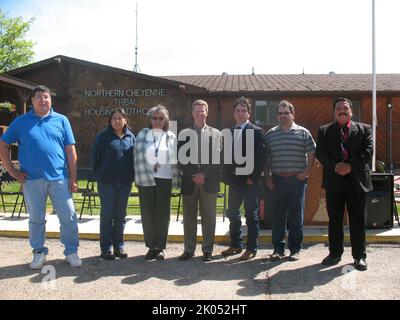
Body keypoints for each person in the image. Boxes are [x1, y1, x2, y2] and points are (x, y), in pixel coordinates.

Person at [0, 85, 81, 269]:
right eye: (39, 97)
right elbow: (3, 145)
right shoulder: (21, 122)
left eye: (46, 97)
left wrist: (73, 178)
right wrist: (13, 172)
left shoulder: (62, 120)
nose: (43, 100)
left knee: (68, 216)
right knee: (36, 218)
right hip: (31, 179)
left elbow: (71, 151)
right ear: (32, 101)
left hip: (59, 178)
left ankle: (71, 252)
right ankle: (38, 252)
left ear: (50, 100)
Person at [316, 97, 372, 271]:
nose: (342, 110)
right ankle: (335, 254)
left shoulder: (364, 129)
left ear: (351, 111)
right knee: (335, 221)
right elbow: (320, 153)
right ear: (334, 112)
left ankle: (359, 256)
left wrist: (349, 166)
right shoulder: (324, 131)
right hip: (334, 182)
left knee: (357, 220)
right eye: (338, 108)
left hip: (357, 182)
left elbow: (368, 151)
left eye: (345, 108)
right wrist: (335, 166)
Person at [264, 100, 316, 261]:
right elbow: (266, 158)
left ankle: (295, 249)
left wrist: (306, 172)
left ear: (293, 114)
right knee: (278, 217)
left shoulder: (303, 133)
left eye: (286, 113)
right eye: (280, 113)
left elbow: (312, 154)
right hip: (277, 180)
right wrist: (267, 177)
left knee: (296, 217)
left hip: (297, 181)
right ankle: (278, 249)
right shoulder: (270, 134)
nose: (283, 116)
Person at [222, 97, 265, 260]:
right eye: (237, 111)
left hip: (250, 182)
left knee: (251, 214)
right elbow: (225, 157)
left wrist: (252, 178)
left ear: (249, 113)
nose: (240, 114)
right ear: (234, 114)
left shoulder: (257, 131)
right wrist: (227, 178)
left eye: (243, 111)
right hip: (234, 182)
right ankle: (235, 244)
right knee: (232, 213)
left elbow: (261, 158)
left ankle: (252, 247)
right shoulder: (229, 132)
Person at [134, 105, 179, 260]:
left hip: (165, 178)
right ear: (150, 119)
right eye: (155, 118)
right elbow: (136, 156)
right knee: (147, 213)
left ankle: (160, 247)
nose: (158, 121)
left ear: (165, 120)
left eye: (161, 118)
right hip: (146, 178)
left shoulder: (171, 136)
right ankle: (151, 246)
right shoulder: (142, 134)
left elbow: (175, 158)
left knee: (162, 214)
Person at [178, 100, 221, 262]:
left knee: (209, 218)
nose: (200, 114)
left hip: (209, 182)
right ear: (192, 113)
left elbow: (218, 159)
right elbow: (181, 159)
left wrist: (204, 175)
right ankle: (189, 249)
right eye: (197, 111)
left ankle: (207, 250)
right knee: (189, 217)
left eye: (203, 111)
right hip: (190, 182)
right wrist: (194, 176)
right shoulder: (183, 134)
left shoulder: (216, 134)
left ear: (207, 113)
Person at [92, 108, 135, 260]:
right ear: (110, 121)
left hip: (125, 183)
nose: (117, 121)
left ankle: (119, 246)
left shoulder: (131, 137)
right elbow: (96, 160)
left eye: (119, 118)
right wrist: (100, 176)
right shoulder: (103, 137)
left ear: (125, 120)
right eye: (114, 118)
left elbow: (133, 160)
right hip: (107, 183)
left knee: (120, 215)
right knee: (107, 215)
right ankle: (106, 248)